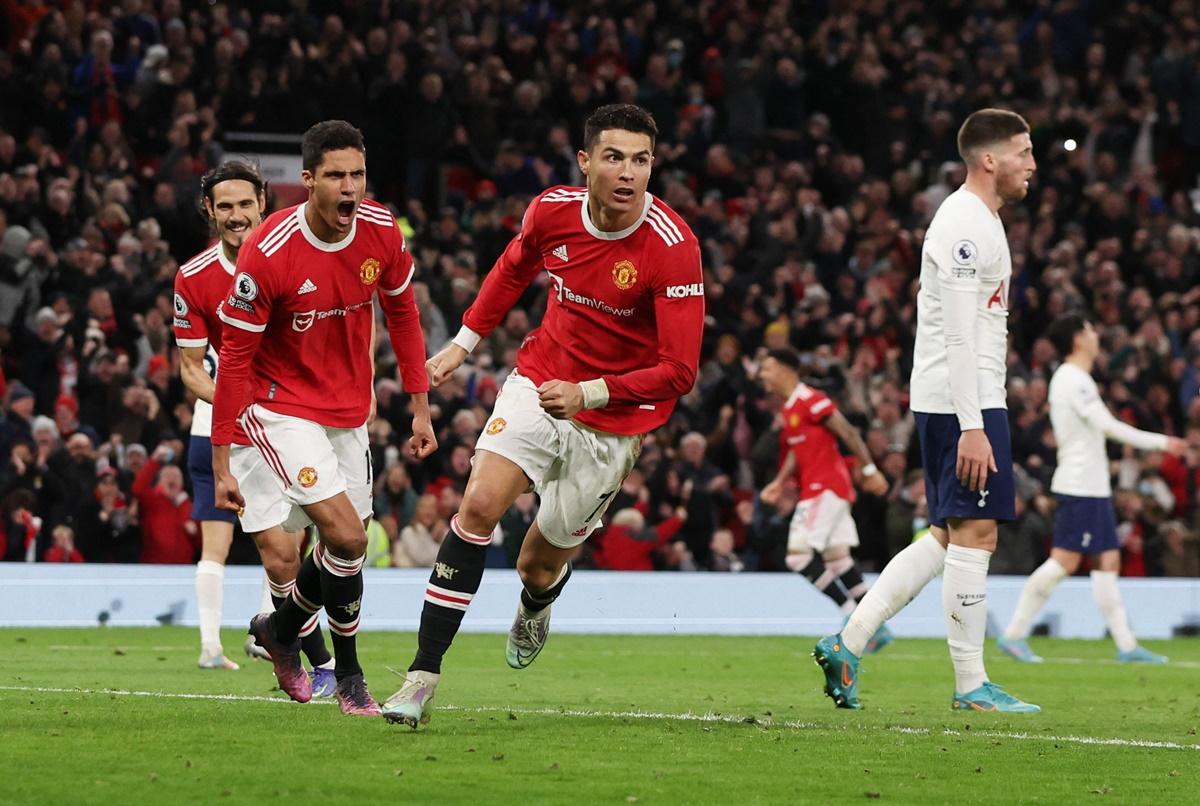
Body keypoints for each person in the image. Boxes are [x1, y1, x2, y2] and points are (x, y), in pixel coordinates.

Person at [382, 103, 705, 729]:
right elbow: (512, 268)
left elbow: (680, 371)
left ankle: (537, 601)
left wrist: (589, 393)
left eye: (640, 160)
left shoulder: (673, 247)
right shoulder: (552, 210)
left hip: (613, 418)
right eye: (614, 157)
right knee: (477, 506)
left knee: (538, 560)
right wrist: (464, 343)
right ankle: (421, 677)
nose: (628, 172)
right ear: (585, 162)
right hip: (538, 380)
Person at [814, 109, 1040, 713]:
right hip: (960, 400)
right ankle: (970, 685)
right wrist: (972, 424)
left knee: (946, 534)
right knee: (976, 531)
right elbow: (961, 334)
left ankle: (848, 642)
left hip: (963, 396)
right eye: (1024, 152)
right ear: (989, 159)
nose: (1032, 164)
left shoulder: (982, 219)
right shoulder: (965, 222)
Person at [210, 121, 436, 716]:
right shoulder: (270, 249)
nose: (349, 187)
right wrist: (220, 458)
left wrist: (419, 407)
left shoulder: (383, 231)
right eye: (336, 175)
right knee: (348, 535)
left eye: (357, 174)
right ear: (308, 180)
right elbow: (234, 357)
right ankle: (350, 674)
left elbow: (404, 315)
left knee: (346, 553)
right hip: (279, 406)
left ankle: (280, 630)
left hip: (348, 410)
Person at [173, 158, 336, 688]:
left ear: (263, 201)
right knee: (280, 556)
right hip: (247, 426)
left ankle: (289, 638)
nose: (237, 215)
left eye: (246, 203)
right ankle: (326, 663)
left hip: (312, 413)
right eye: (225, 206)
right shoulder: (194, 279)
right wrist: (236, 402)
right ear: (209, 211)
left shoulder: (299, 248)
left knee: (335, 538)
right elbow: (191, 369)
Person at [997, 315, 1183, 664]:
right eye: (1090, 329)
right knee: (1065, 561)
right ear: (1078, 338)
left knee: (1107, 561)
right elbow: (1108, 426)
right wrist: (1162, 442)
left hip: (1093, 487)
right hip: (1079, 485)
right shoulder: (1071, 379)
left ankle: (1127, 645)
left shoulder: (1079, 379)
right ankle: (1013, 634)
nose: (1096, 334)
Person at [757, 348, 893, 650]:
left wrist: (870, 469)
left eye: (766, 368)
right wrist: (779, 483)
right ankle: (877, 627)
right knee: (838, 559)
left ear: (784, 369)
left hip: (825, 488)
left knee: (798, 556)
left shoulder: (810, 399)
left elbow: (847, 431)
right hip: (826, 489)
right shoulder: (791, 408)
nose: (762, 375)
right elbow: (796, 449)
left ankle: (852, 616)